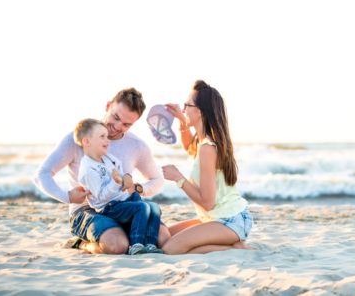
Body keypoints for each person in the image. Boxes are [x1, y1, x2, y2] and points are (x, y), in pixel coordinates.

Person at [34, 88, 170, 254]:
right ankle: (83, 243)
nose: (117, 127)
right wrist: (67, 196)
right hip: (87, 210)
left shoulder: (137, 146)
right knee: (117, 246)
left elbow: (157, 181)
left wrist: (139, 188)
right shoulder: (78, 139)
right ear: (108, 106)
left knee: (163, 241)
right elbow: (42, 174)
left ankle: (127, 236)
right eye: (116, 117)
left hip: (124, 206)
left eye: (127, 124)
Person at [161, 80, 255, 254]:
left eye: (187, 105)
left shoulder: (207, 148)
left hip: (231, 220)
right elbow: (189, 146)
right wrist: (182, 120)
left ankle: (233, 247)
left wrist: (178, 178)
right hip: (218, 219)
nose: (184, 109)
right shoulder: (204, 142)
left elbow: (207, 203)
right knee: (163, 238)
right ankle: (230, 245)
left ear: (200, 112)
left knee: (170, 248)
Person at [75, 118, 164, 255]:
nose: (107, 140)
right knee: (142, 207)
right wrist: (115, 181)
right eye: (102, 136)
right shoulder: (88, 169)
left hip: (123, 200)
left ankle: (150, 244)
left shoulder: (107, 158)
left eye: (106, 136)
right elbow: (101, 196)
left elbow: (120, 172)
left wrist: (126, 176)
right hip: (109, 206)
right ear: (87, 142)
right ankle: (136, 244)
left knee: (154, 208)